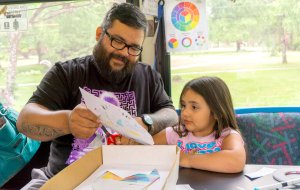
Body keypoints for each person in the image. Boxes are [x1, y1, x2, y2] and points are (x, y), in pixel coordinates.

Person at [16, 3, 178, 189]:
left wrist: (147, 122)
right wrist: (68, 121)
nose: (124, 53)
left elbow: (171, 114)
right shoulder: (67, 73)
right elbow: (24, 121)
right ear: (99, 33)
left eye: (133, 48)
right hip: (64, 180)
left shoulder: (148, 76)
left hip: (132, 181)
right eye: (117, 41)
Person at [153, 76, 246, 173]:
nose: (184, 112)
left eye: (194, 107)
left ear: (216, 113)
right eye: (184, 106)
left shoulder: (227, 136)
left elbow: (236, 160)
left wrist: (188, 160)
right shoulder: (175, 133)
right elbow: (142, 148)